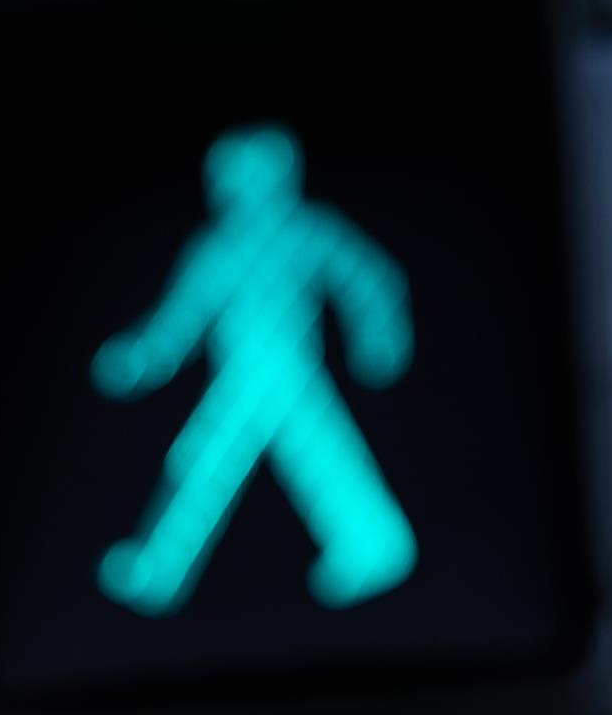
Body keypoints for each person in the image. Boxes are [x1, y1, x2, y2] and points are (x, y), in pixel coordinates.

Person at [92, 123, 417, 616]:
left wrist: (379, 335)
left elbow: (368, 276)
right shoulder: (217, 248)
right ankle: (160, 569)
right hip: (246, 371)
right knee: (225, 463)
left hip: (285, 368)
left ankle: (373, 548)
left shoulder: (309, 230)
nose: (236, 186)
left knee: (262, 461)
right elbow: (181, 317)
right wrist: (140, 359)